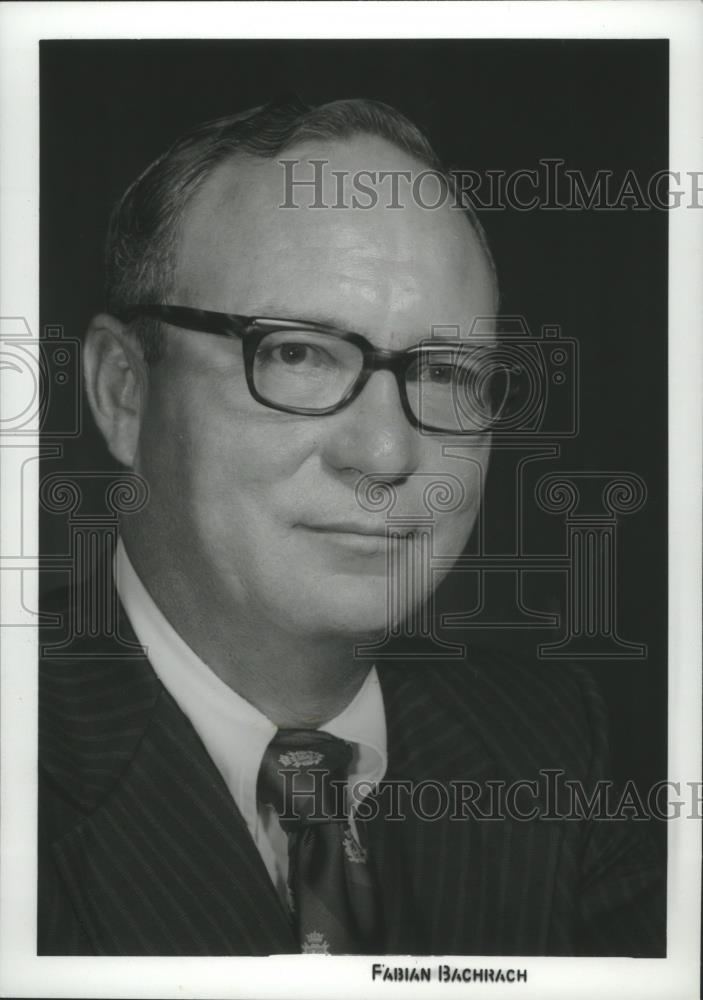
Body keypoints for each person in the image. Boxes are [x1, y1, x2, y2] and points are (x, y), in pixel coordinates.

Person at [38, 96, 664, 957]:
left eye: (446, 371)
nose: (385, 453)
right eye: (296, 352)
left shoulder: (551, 740)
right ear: (123, 391)